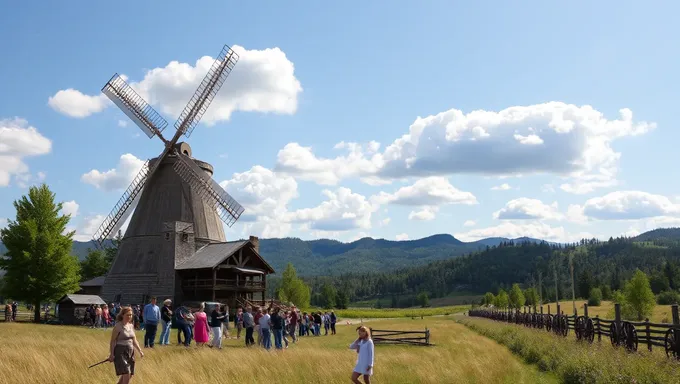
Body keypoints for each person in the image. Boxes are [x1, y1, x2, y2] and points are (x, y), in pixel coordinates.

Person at [108, 306, 144, 384]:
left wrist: (140, 350)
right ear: (122, 315)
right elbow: (113, 341)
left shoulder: (131, 326)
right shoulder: (118, 326)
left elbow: (134, 340)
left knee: (130, 374)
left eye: (131, 315)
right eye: (127, 315)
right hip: (120, 352)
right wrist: (111, 354)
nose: (129, 316)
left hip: (130, 352)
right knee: (126, 373)